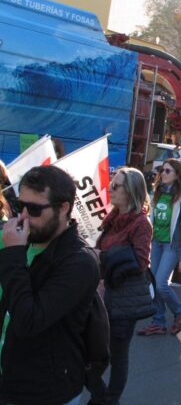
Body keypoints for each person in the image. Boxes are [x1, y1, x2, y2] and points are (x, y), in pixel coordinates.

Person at [0, 166, 99, 404]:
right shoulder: (25, 238)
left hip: (45, 391)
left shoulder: (80, 262)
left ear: (63, 208)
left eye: (33, 209)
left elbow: (28, 321)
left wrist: (13, 255)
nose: (23, 216)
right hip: (10, 377)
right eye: (19, 204)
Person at [86, 167, 153, 405]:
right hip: (102, 294)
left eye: (116, 185)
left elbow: (140, 263)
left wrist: (102, 256)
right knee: (88, 352)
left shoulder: (140, 223)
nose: (110, 189)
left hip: (123, 300)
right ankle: (100, 394)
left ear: (131, 191)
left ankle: (109, 399)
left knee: (117, 355)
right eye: (111, 184)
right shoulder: (112, 217)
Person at [138, 159, 181, 336]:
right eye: (162, 170)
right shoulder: (157, 192)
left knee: (161, 284)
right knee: (153, 284)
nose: (163, 173)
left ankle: (180, 311)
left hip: (171, 246)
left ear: (177, 175)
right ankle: (158, 321)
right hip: (156, 243)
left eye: (168, 171)